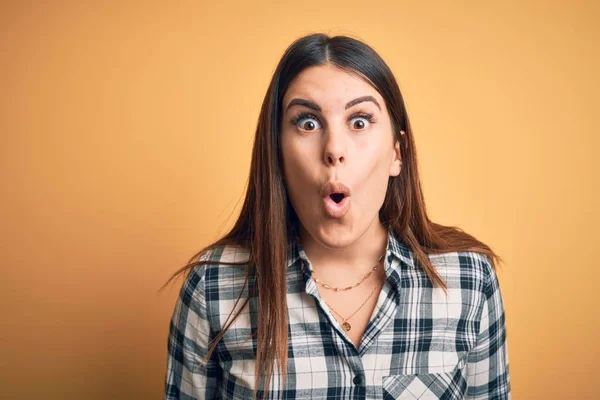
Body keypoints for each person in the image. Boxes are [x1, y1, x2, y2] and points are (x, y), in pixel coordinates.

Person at [162, 32, 510, 399]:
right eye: (308, 123)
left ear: (397, 153)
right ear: (277, 153)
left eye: (359, 121)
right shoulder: (213, 288)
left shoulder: (468, 281)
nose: (334, 150)